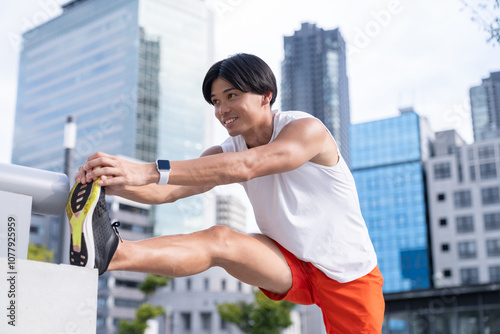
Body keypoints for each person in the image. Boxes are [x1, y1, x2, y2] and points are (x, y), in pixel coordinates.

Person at [70, 53, 384, 333]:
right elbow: (166, 191)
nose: (222, 109)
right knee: (220, 239)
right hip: (288, 261)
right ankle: (114, 254)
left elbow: (249, 165)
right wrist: (110, 181)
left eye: (231, 96)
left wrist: (148, 169)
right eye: (216, 101)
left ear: (266, 95)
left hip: (350, 276)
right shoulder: (226, 150)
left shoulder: (306, 130)